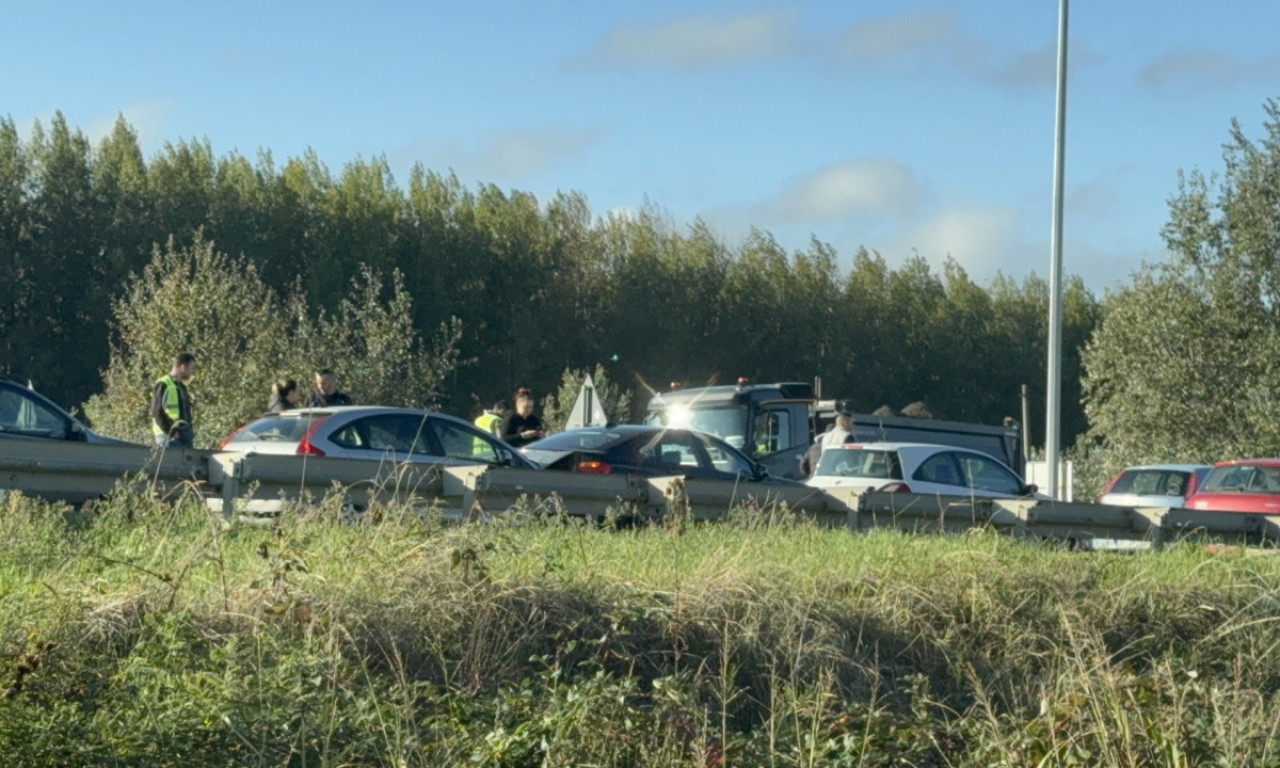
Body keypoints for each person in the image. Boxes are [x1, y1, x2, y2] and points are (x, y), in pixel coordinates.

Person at [152, 352, 197, 449]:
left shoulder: (181, 387)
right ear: (183, 367)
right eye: (191, 368)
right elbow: (156, 412)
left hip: (183, 436)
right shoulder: (163, 384)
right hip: (169, 438)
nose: (192, 372)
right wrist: (170, 432)